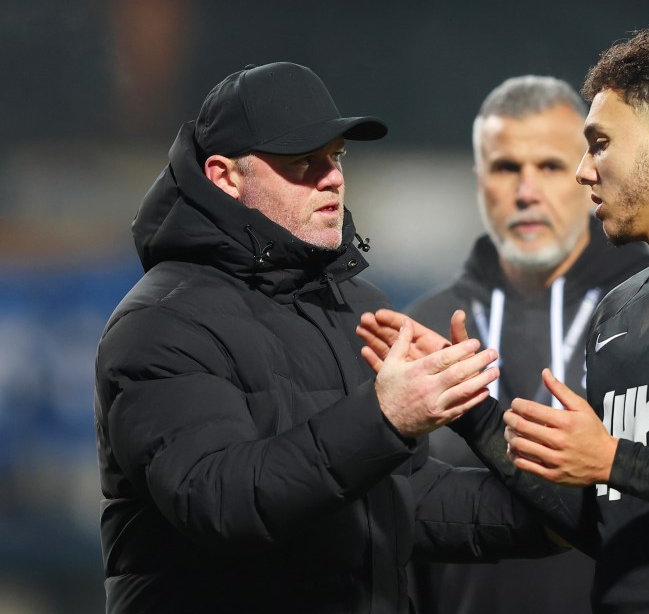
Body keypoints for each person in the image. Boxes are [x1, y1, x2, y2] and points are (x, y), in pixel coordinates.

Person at [359, 19, 649, 613]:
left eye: (601, 143)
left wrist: (614, 458)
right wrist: (475, 413)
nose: (585, 168)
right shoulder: (620, 310)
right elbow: (605, 523)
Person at [93, 61, 561, 614]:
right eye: (302, 163)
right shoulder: (161, 324)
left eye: (336, 157)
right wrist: (385, 417)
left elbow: (400, 499)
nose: (332, 177)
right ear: (225, 177)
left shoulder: (355, 306)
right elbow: (222, 500)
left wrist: (564, 508)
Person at [406, 76, 649, 614]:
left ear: (591, 171)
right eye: (505, 168)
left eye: (549, 166)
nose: (526, 191)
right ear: (479, 181)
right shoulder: (423, 328)